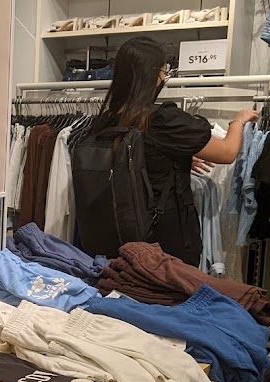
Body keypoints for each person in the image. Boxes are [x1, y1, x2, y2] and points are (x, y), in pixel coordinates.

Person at [90, 36, 259, 267]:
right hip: (163, 241)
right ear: (154, 75)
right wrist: (238, 122)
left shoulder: (106, 120)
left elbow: (134, 162)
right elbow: (227, 152)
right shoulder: (162, 119)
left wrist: (176, 159)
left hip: (116, 235)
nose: (165, 78)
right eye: (164, 71)